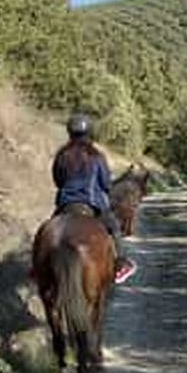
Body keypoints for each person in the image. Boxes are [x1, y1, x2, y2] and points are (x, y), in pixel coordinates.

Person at [52, 113, 137, 285]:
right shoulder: (96, 156)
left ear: (69, 132)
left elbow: (58, 180)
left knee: (50, 231)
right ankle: (120, 265)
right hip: (93, 205)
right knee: (114, 228)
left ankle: (40, 269)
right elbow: (105, 184)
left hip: (66, 205)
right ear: (90, 132)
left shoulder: (62, 155)